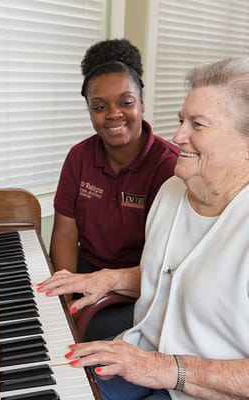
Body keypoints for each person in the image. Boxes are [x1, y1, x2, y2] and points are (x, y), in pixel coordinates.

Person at [40, 56, 249, 399]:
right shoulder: (174, 189)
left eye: (197, 125)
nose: (178, 135)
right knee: (50, 381)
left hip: (203, 389)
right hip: (142, 357)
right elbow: (178, 273)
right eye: (181, 120)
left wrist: (166, 369)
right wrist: (109, 278)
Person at [47, 38, 179, 341]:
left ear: (142, 102)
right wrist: (65, 293)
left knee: (74, 333)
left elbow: (166, 266)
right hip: (87, 270)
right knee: (39, 312)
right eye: (99, 106)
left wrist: (81, 306)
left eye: (126, 102)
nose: (113, 114)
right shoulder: (79, 157)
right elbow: (66, 232)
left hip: (140, 287)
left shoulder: (168, 167)